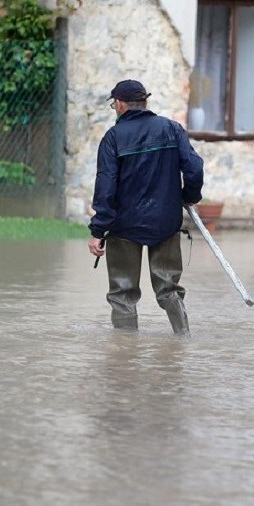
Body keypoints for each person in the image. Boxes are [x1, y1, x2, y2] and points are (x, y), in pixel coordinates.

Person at [88, 79, 205, 334]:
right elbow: (194, 168)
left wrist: (98, 231)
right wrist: (189, 195)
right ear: (145, 103)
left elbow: (105, 188)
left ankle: (125, 349)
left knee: (122, 293)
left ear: (119, 104)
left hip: (123, 226)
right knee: (169, 289)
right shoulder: (172, 129)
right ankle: (183, 339)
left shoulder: (113, 138)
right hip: (165, 222)